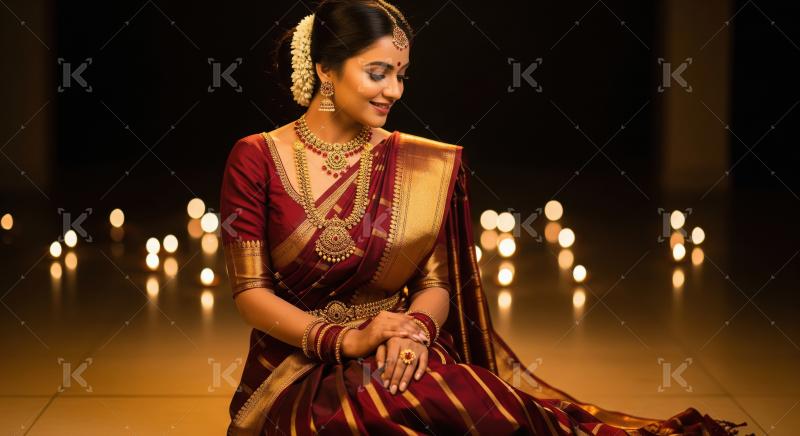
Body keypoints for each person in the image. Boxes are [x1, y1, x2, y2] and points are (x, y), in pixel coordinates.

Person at [219, 1, 749, 434]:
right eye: (377, 73)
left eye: (401, 75)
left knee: (471, 406)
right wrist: (344, 340)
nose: (394, 92)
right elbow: (250, 293)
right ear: (325, 70)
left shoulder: (422, 162)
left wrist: (416, 332)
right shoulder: (257, 157)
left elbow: (438, 283)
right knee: (376, 414)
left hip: (399, 351)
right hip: (294, 368)